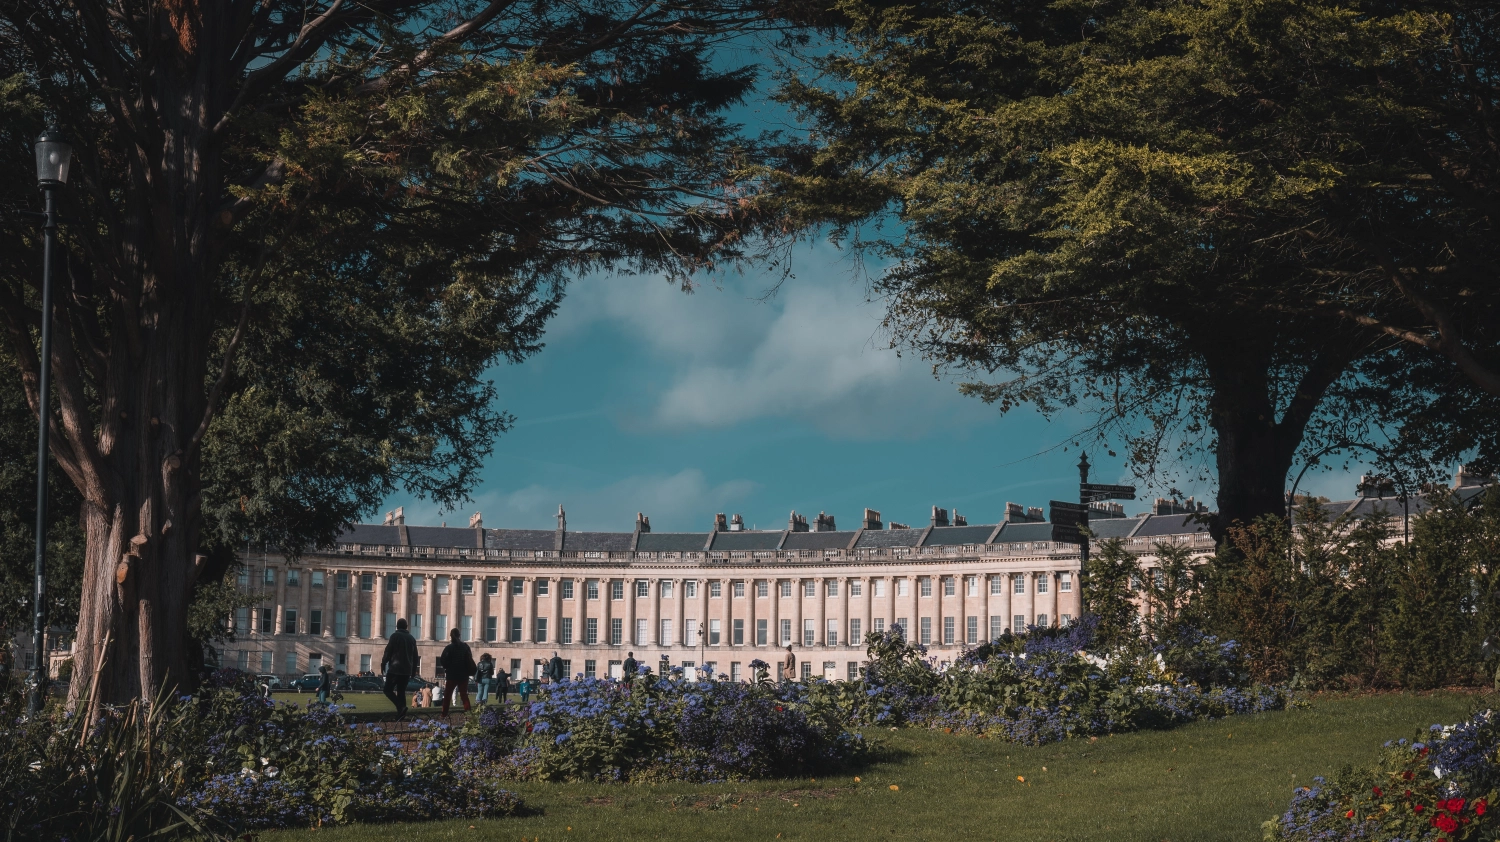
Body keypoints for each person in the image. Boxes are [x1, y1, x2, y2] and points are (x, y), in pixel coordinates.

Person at [381, 617, 419, 719]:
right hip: (406, 670)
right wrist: (414, 670)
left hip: (395, 669)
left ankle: (401, 707)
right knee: (401, 692)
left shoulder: (395, 636)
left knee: (387, 690)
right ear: (406, 627)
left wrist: (383, 662)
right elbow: (415, 657)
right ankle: (401, 715)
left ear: (397, 626)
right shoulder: (411, 638)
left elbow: (388, 651)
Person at [439, 627, 475, 715]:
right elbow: (470, 658)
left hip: (452, 674)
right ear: (459, 635)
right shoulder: (465, 647)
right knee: (464, 695)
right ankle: (469, 714)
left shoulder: (449, 648)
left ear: (451, 636)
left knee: (447, 695)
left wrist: (447, 666)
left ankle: (444, 714)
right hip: (463, 674)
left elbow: (443, 660)